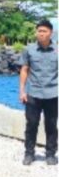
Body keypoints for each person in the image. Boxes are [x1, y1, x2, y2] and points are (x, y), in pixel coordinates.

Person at [19, 19, 58, 166]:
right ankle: (29, 153)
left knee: (51, 125)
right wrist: (22, 91)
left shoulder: (57, 50)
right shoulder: (29, 50)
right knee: (31, 124)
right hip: (33, 93)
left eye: (44, 31)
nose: (41, 34)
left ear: (51, 33)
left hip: (53, 94)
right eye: (39, 31)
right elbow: (24, 70)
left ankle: (51, 154)